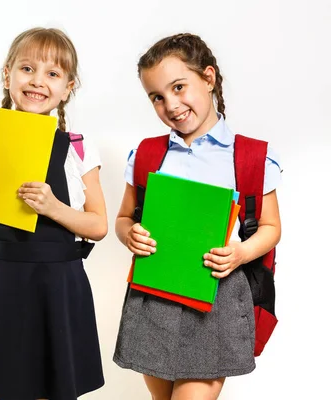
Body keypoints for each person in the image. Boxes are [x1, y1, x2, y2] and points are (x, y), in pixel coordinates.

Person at [0, 27, 107, 400]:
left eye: (53, 74)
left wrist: (54, 208)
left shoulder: (78, 148)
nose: (38, 81)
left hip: (60, 286)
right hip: (4, 284)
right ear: (8, 74)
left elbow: (98, 226)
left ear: (68, 87)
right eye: (27, 69)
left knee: (52, 389)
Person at [113, 33, 282, 399]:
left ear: (208, 78)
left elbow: (270, 227)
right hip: (154, 296)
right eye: (157, 97)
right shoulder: (146, 154)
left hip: (215, 298)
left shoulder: (249, 157)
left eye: (178, 87)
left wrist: (240, 253)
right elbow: (124, 218)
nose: (170, 104)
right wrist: (130, 234)